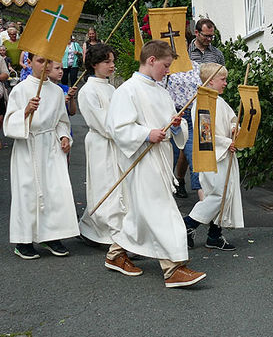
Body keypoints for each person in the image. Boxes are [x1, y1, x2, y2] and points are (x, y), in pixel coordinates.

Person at [106, 40, 206, 288]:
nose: (167, 71)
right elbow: (117, 128)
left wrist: (175, 125)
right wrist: (145, 134)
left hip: (160, 159)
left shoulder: (161, 91)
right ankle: (173, 267)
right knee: (164, 212)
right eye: (165, 65)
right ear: (151, 60)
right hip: (140, 161)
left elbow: (175, 128)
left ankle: (116, 253)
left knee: (143, 212)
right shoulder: (127, 91)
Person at [3, 55, 78, 259]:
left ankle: (51, 235)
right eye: (39, 61)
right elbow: (9, 123)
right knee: (27, 192)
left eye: (48, 62)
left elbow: (61, 120)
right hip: (29, 145)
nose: (45, 66)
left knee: (54, 191)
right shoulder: (21, 89)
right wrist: (26, 111)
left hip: (51, 146)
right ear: (29, 63)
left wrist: (63, 136)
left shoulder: (55, 91)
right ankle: (24, 240)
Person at [76, 44, 141, 274]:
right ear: (94, 64)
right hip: (101, 144)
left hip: (117, 144)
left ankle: (118, 231)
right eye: (107, 62)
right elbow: (103, 123)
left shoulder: (113, 89)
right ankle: (105, 232)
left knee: (119, 186)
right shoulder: (88, 91)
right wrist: (127, 132)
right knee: (105, 184)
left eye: (113, 61)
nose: (112, 65)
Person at [184, 63, 242, 251]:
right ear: (210, 82)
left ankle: (214, 235)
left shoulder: (220, 101)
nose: (226, 83)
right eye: (222, 79)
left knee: (224, 194)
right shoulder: (202, 103)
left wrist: (235, 129)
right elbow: (205, 134)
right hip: (212, 156)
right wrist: (227, 143)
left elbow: (233, 119)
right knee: (217, 195)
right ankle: (188, 224)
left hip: (224, 155)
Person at [165, 64, 201, 199]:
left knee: (196, 160)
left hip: (192, 116)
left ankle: (205, 208)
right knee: (169, 159)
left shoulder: (196, 66)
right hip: (173, 116)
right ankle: (165, 200)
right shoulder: (165, 66)